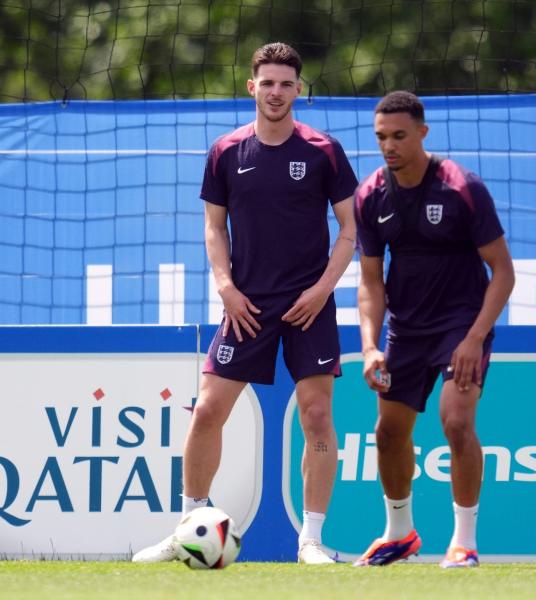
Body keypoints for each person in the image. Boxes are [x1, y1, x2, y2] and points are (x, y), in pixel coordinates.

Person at [133, 42, 359, 565]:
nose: (276, 91)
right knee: (208, 409)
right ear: (250, 87)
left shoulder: (324, 150)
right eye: (268, 82)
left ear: (299, 90)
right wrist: (226, 287)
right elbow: (214, 227)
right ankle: (189, 527)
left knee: (317, 415)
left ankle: (312, 542)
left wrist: (323, 289)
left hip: (309, 304)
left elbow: (350, 230)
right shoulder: (226, 151)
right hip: (246, 306)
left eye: (286, 83)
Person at [352, 91, 515, 568]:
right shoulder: (369, 196)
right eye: (381, 137)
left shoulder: (462, 187)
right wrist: (368, 347)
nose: (389, 146)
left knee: (457, 422)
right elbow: (369, 283)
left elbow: (503, 272)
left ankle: (464, 544)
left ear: (423, 133)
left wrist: (474, 337)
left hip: (460, 324)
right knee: (387, 432)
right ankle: (399, 535)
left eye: (399, 136)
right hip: (406, 328)